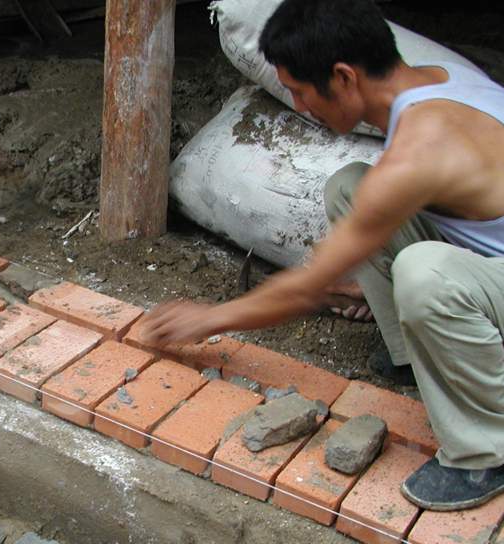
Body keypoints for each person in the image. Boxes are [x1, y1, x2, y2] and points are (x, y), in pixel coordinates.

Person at [142, 0, 504, 512]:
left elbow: (307, 287)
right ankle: (413, 359)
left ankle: (485, 449)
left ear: (343, 77)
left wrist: (207, 319)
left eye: (300, 91)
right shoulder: (437, 81)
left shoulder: (422, 147)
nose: (299, 105)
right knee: (350, 187)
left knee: (426, 275)